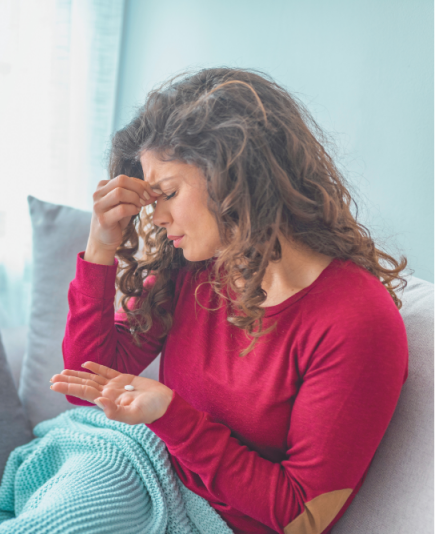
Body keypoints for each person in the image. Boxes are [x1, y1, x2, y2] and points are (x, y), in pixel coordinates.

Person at [48, 68, 409, 534]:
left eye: (170, 193)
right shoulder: (197, 265)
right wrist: (101, 249)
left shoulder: (355, 320)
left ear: (233, 175)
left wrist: (170, 415)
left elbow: (303, 517)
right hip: (137, 467)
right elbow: (85, 381)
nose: (156, 217)